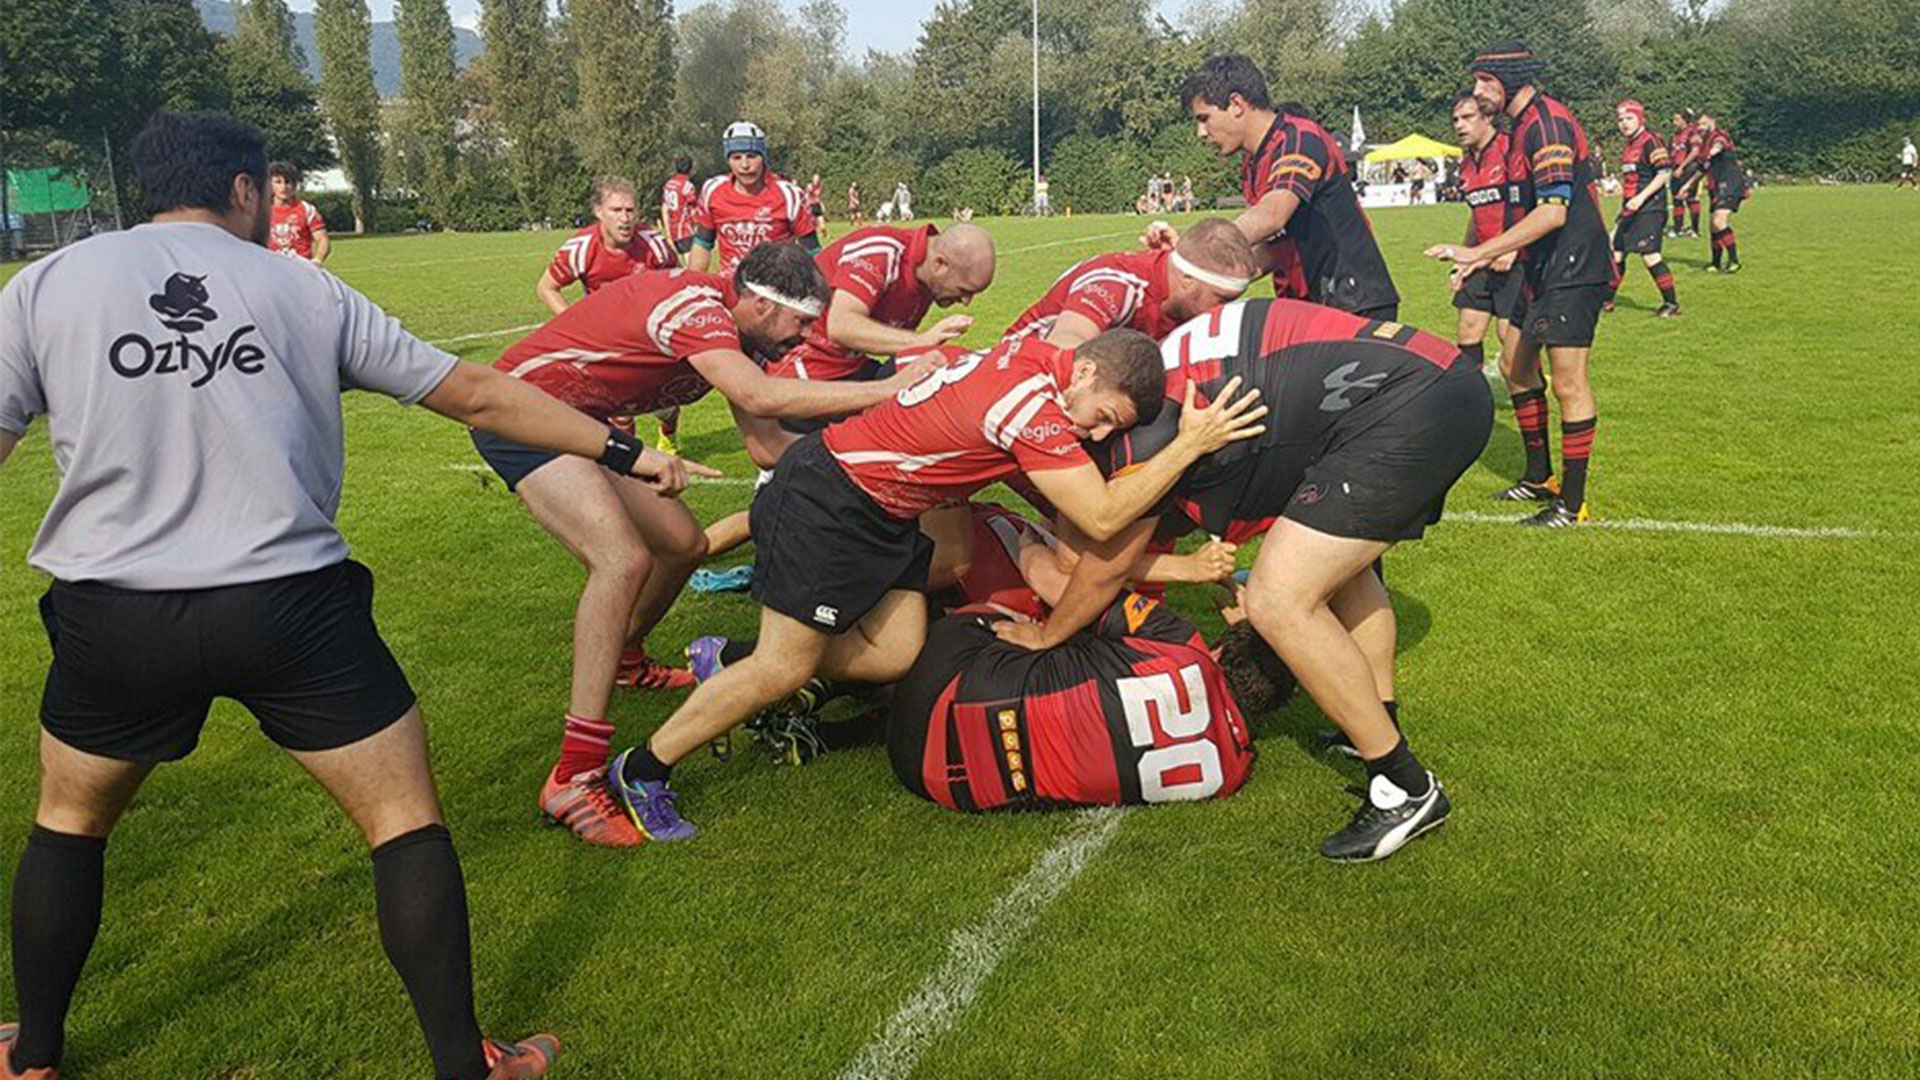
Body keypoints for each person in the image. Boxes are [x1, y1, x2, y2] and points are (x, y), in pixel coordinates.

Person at [0, 112, 724, 1080]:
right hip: (292, 608)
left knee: (70, 823)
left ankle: (34, 1056)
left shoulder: (47, 285)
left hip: (116, 611)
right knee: (403, 824)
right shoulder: (303, 286)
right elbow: (472, 392)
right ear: (251, 191)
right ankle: (468, 1066)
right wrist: (624, 448)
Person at [586, 329, 1268, 846]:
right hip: (832, 501)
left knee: (896, 653)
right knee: (784, 665)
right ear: (1084, 370)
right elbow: (1101, 516)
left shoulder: (1032, 357)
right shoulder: (1031, 405)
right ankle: (643, 768)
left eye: (1110, 430)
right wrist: (1189, 444)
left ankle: (729, 660)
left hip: (877, 508)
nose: (1093, 431)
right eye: (1103, 415)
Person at [473, 244, 944, 846]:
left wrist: (879, 445)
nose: (803, 340)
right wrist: (889, 391)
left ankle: (626, 659)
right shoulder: (695, 308)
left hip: (582, 425)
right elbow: (759, 398)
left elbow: (768, 446)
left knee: (683, 543)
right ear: (758, 303)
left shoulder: (739, 334)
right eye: (799, 323)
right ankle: (574, 773)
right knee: (620, 560)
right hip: (521, 415)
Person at [995, 298, 1492, 862]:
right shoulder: (1139, 378)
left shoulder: (1142, 435)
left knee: (1278, 598)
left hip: (1407, 401)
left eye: (1099, 423)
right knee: (1346, 576)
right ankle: (1374, 725)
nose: (1086, 433)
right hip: (1423, 381)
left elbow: (1102, 563)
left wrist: (1047, 636)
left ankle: (1404, 786)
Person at [699, 222, 1000, 559]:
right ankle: (692, 546)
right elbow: (843, 325)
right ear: (941, 263)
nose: (966, 301)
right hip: (802, 370)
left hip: (848, 371)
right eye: (964, 289)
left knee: (855, 474)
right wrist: (921, 342)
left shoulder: (927, 278)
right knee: (824, 488)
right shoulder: (882, 251)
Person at [1426, 40, 1611, 527]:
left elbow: (1553, 211)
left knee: (1569, 383)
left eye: (1485, 83)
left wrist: (1477, 253)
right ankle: (1539, 477)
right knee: (1514, 365)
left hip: (1575, 266)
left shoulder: (1547, 124)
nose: (1477, 93)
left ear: (1509, 81)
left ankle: (1572, 506)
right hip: (1543, 267)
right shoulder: (1521, 127)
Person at [890, 592, 1256, 811]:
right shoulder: (1232, 772)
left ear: (1220, 650)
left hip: (941, 687)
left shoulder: (1181, 642)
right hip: (942, 785)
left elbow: (1067, 583)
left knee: (1026, 603)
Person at [1166, 55, 1399, 319]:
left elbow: (1272, 216)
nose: (1201, 132)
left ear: (1235, 104)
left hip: (1354, 302)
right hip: (1312, 306)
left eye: (1204, 118)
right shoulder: (1253, 162)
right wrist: (1201, 281)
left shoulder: (1299, 138)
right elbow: (1274, 249)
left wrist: (1192, 252)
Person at [1002, 218, 1258, 348]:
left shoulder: (1182, 287)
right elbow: (1064, 344)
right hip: (1015, 378)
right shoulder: (1118, 284)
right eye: (1221, 299)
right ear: (1188, 280)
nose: (1223, 312)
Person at [1448, 90, 1524, 375]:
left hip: (1515, 259)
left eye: (1467, 117)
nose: (1459, 125)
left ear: (1488, 117)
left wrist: (1512, 248)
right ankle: (1473, 397)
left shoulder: (1509, 149)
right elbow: (1476, 213)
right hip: (1482, 258)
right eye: (1455, 119)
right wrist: (1466, 256)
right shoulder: (1466, 162)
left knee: (1510, 338)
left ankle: (1532, 384)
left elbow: (1528, 207)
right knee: (1467, 331)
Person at [686, 121, 819, 278]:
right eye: (736, 157)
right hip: (732, 290)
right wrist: (691, 286)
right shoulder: (713, 190)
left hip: (776, 291)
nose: (745, 165)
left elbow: (812, 251)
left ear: (763, 157)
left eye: (752, 156)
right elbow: (703, 243)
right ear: (728, 160)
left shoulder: (789, 194)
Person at [537, 176, 678, 316]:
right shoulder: (581, 249)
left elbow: (680, 282)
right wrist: (576, 322)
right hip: (604, 329)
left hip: (646, 328)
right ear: (599, 212)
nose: (624, 219)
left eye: (630, 210)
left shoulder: (654, 244)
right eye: (616, 210)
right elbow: (546, 288)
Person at [1610, 100, 1681, 317]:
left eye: (1629, 118)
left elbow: (1664, 173)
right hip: (1631, 207)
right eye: (1621, 119)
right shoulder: (1629, 145)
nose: (1624, 123)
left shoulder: (1651, 141)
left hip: (1650, 207)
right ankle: (1606, 300)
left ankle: (1671, 304)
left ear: (1640, 119)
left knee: (1650, 256)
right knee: (1616, 252)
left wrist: (1640, 198)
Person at [1697, 113, 1749, 273]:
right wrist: (1687, 186)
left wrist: (1714, 150)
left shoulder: (1719, 135)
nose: (1701, 127)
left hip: (1730, 183)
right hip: (1716, 186)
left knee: (1719, 221)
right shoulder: (1704, 144)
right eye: (1699, 125)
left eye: (1704, 123)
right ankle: (1715, 262)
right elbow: (1702, 168)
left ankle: (1734, 260)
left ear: (1712, 122)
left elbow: (1720, 144)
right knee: (1713, 226)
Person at [265, 161, 328, 263]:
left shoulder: (306, 209)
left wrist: (318, 260)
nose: (283, 187)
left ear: (294, 185)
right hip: (272, 268)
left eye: (287, 182)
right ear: (270, 184)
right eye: (278, 182)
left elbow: (322, 240)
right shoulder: (262, 210)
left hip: (301, 269)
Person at [1667, 111, 1704, 237]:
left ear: (1685, 120)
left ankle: (1695, 230)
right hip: (1676, 170)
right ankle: (1678, 229)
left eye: (1677, 119)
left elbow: (1695, 151)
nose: (1674, 123)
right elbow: (1670, 153)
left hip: (1689, 169)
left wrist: (1682, 167)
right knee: (1677, 199)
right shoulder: (1674, 136)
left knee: (1690, 198)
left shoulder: (1693, 133)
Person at [661, 155, 700, 256]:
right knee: (691, 267)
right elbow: (693, 210)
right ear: (690, 169)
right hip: (685, 231)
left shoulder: (669, 184)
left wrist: (668, 231)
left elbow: (664, 208)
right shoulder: (687, 186)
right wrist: (697, 227)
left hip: (673, 232)